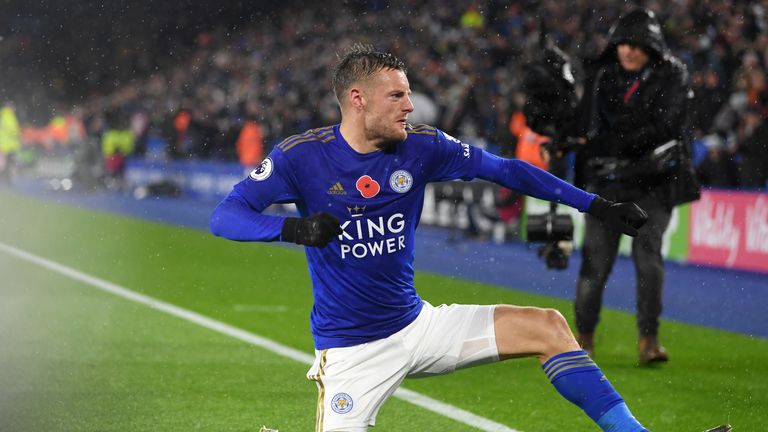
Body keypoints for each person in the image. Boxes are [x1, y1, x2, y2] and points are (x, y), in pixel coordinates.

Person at [211, 44, 726, 432]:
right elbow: (227, 215)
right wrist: (292, 228)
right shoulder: (301, 156)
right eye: (397, 95)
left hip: (419, 325)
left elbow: (506, 170)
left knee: (547, 326)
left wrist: (595, 205)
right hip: (352, 351)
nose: (411, 107)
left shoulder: (421, 148)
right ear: (356, 99)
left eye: (410, 94)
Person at [571, 9, 701, 364]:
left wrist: (612, 144)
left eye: (637, 44)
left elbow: (667, 126)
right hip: (608, 184)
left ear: (652, 47)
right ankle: (583, 341)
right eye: (623, 43)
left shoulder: (672, 75)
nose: (628, 51)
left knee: (648, 261)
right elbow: (586, 127)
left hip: (652, 186)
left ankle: (648, 342)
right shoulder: (600, 75)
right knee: (595, 265)